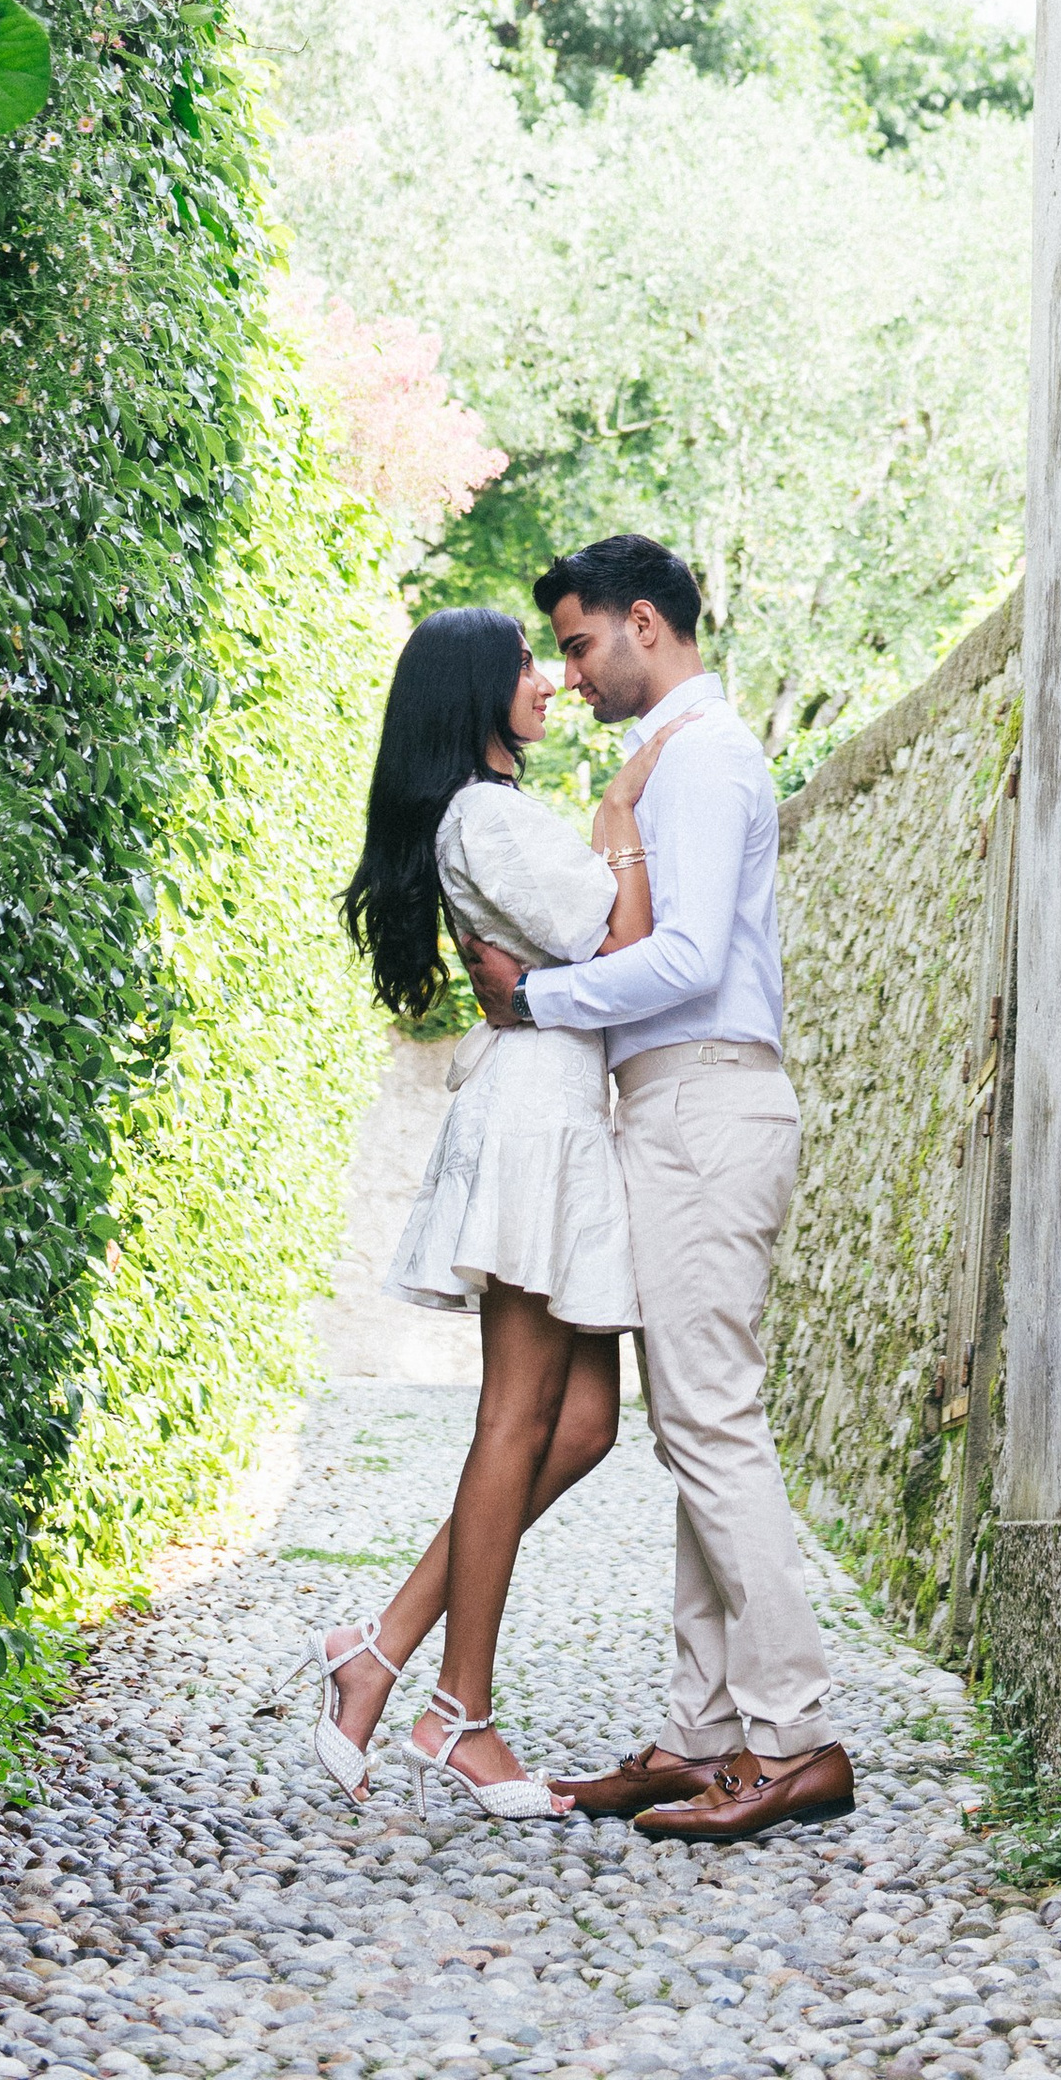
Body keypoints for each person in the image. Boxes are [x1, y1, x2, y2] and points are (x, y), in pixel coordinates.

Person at [460, 531, 855, 1847]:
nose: (569, 675)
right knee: (697, 1423)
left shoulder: (704, 755)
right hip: (682, 1102)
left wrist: (543, 1002)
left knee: (712, 1425)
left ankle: (794, 1737)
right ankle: (708, 1736)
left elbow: (683, 957)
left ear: (644, 622)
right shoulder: (682, 760)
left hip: (699, 1098)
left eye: (578, 645)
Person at [313, 604, 664, 1820]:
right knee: (519, 1416)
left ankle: (382, 1642)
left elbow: (573, 970)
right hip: (535, 1120)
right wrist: (620, 828)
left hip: (558, 1106)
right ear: (475, 690)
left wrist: (559, 970)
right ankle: (460, 1707)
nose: (548, 682)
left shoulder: (486, 815)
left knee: (581, 1426)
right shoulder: (489, 814)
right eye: (525, 664)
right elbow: (619, 936)